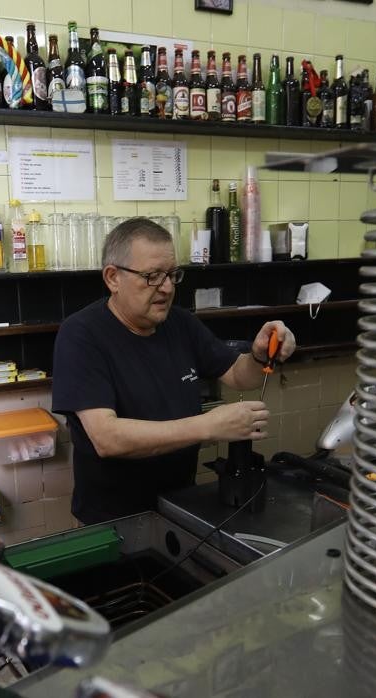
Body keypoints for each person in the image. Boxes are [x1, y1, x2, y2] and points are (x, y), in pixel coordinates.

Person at [52, 218, 296, 524]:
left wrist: (259, 356)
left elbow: (237, 374)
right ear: (113, 278)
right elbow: (107, 438)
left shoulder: (180, 324)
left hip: (179, 506)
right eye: (152, 276)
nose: (167, 288)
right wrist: (208, 426)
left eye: (171, 274)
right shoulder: (82, 335)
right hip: (112, 519)